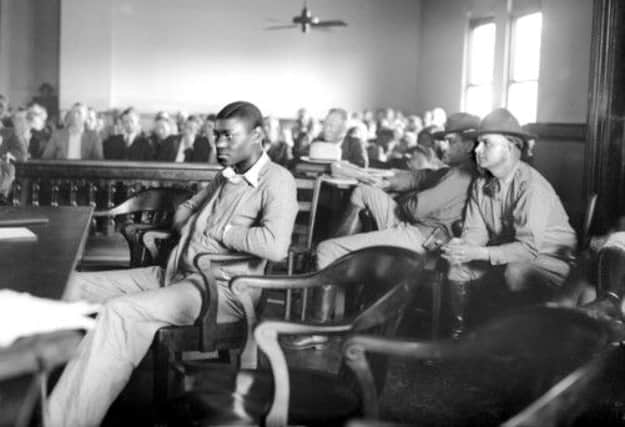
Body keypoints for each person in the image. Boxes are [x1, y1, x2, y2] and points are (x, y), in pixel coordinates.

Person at [48, 101, 298, 426]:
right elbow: (187, 209)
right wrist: (188, 221)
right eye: (216, 135)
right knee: (73, 284)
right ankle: (45, 385)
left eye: (228, 136)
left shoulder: (277, 180)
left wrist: (221, 231)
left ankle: (61, 420)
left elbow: (275, 246)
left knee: (119, 312)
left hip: (219, 293)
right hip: (174, 274)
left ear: (258, 135)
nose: (219, 144)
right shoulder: (225, 176)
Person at [441, 108, 577, 337]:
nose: (477, 150)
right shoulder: (480, 184)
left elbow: (527, 249)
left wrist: (477, 252)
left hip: (551, 262)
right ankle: (459, 339)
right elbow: (475, 231)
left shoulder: (531, 186)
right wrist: (462, 249)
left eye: (486, 143)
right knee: (459, 266)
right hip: (507, 253)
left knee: (515, 272)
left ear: (512, 146)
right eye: (477, 143)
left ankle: (514, 345)